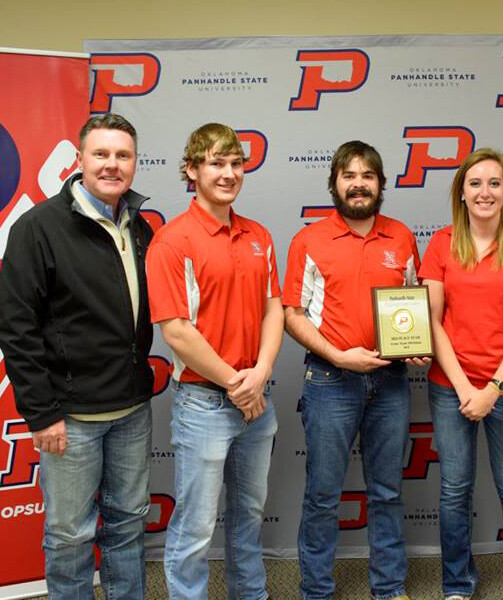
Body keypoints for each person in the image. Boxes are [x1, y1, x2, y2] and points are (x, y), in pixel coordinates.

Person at [0, 113, 155, 599]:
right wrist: (41, 414)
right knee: (70, 537)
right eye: (101, 154)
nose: (112, 165)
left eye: (122, 155)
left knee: (127, 526)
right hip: (70, 418)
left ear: (134, 163)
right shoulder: (38, 227)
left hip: (131, 409)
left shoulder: (138, 226)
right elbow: (13, 327)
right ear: (80, 159)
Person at [282, 140, 425, 600]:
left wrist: (416, 348)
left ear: (381, 184)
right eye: (349, 175)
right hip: (330, 380)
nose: (358, 184)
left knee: (387, 492)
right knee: (323, 496)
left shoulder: (402, 237)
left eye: (368, 175)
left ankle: (389, 588)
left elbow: (411, 306)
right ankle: (316, 591)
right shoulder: (308, 240)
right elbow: (293, 314)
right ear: (335, 183)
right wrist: (339, 356)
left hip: (390, 381)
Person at [146, 123, 283, 600]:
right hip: (205, 403)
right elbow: (177, 330)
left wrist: (261, 374)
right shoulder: (172, 241)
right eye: (216, 163)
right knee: (196, 527)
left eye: (236, 163)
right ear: (192, 169)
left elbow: (273, 307)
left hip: (256, 399)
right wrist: (234, 383)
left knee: (248, 515)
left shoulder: (259, 235)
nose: (228, 173)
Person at [419, 148, 503, 600]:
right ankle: (457, 585)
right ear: (461, 193)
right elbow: (432, 321)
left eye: (494, 183)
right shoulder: (440, 244)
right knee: (454, 490)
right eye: (475, 183)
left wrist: (492, 389)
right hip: (450, 388)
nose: (485, 192)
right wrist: (463, 387)